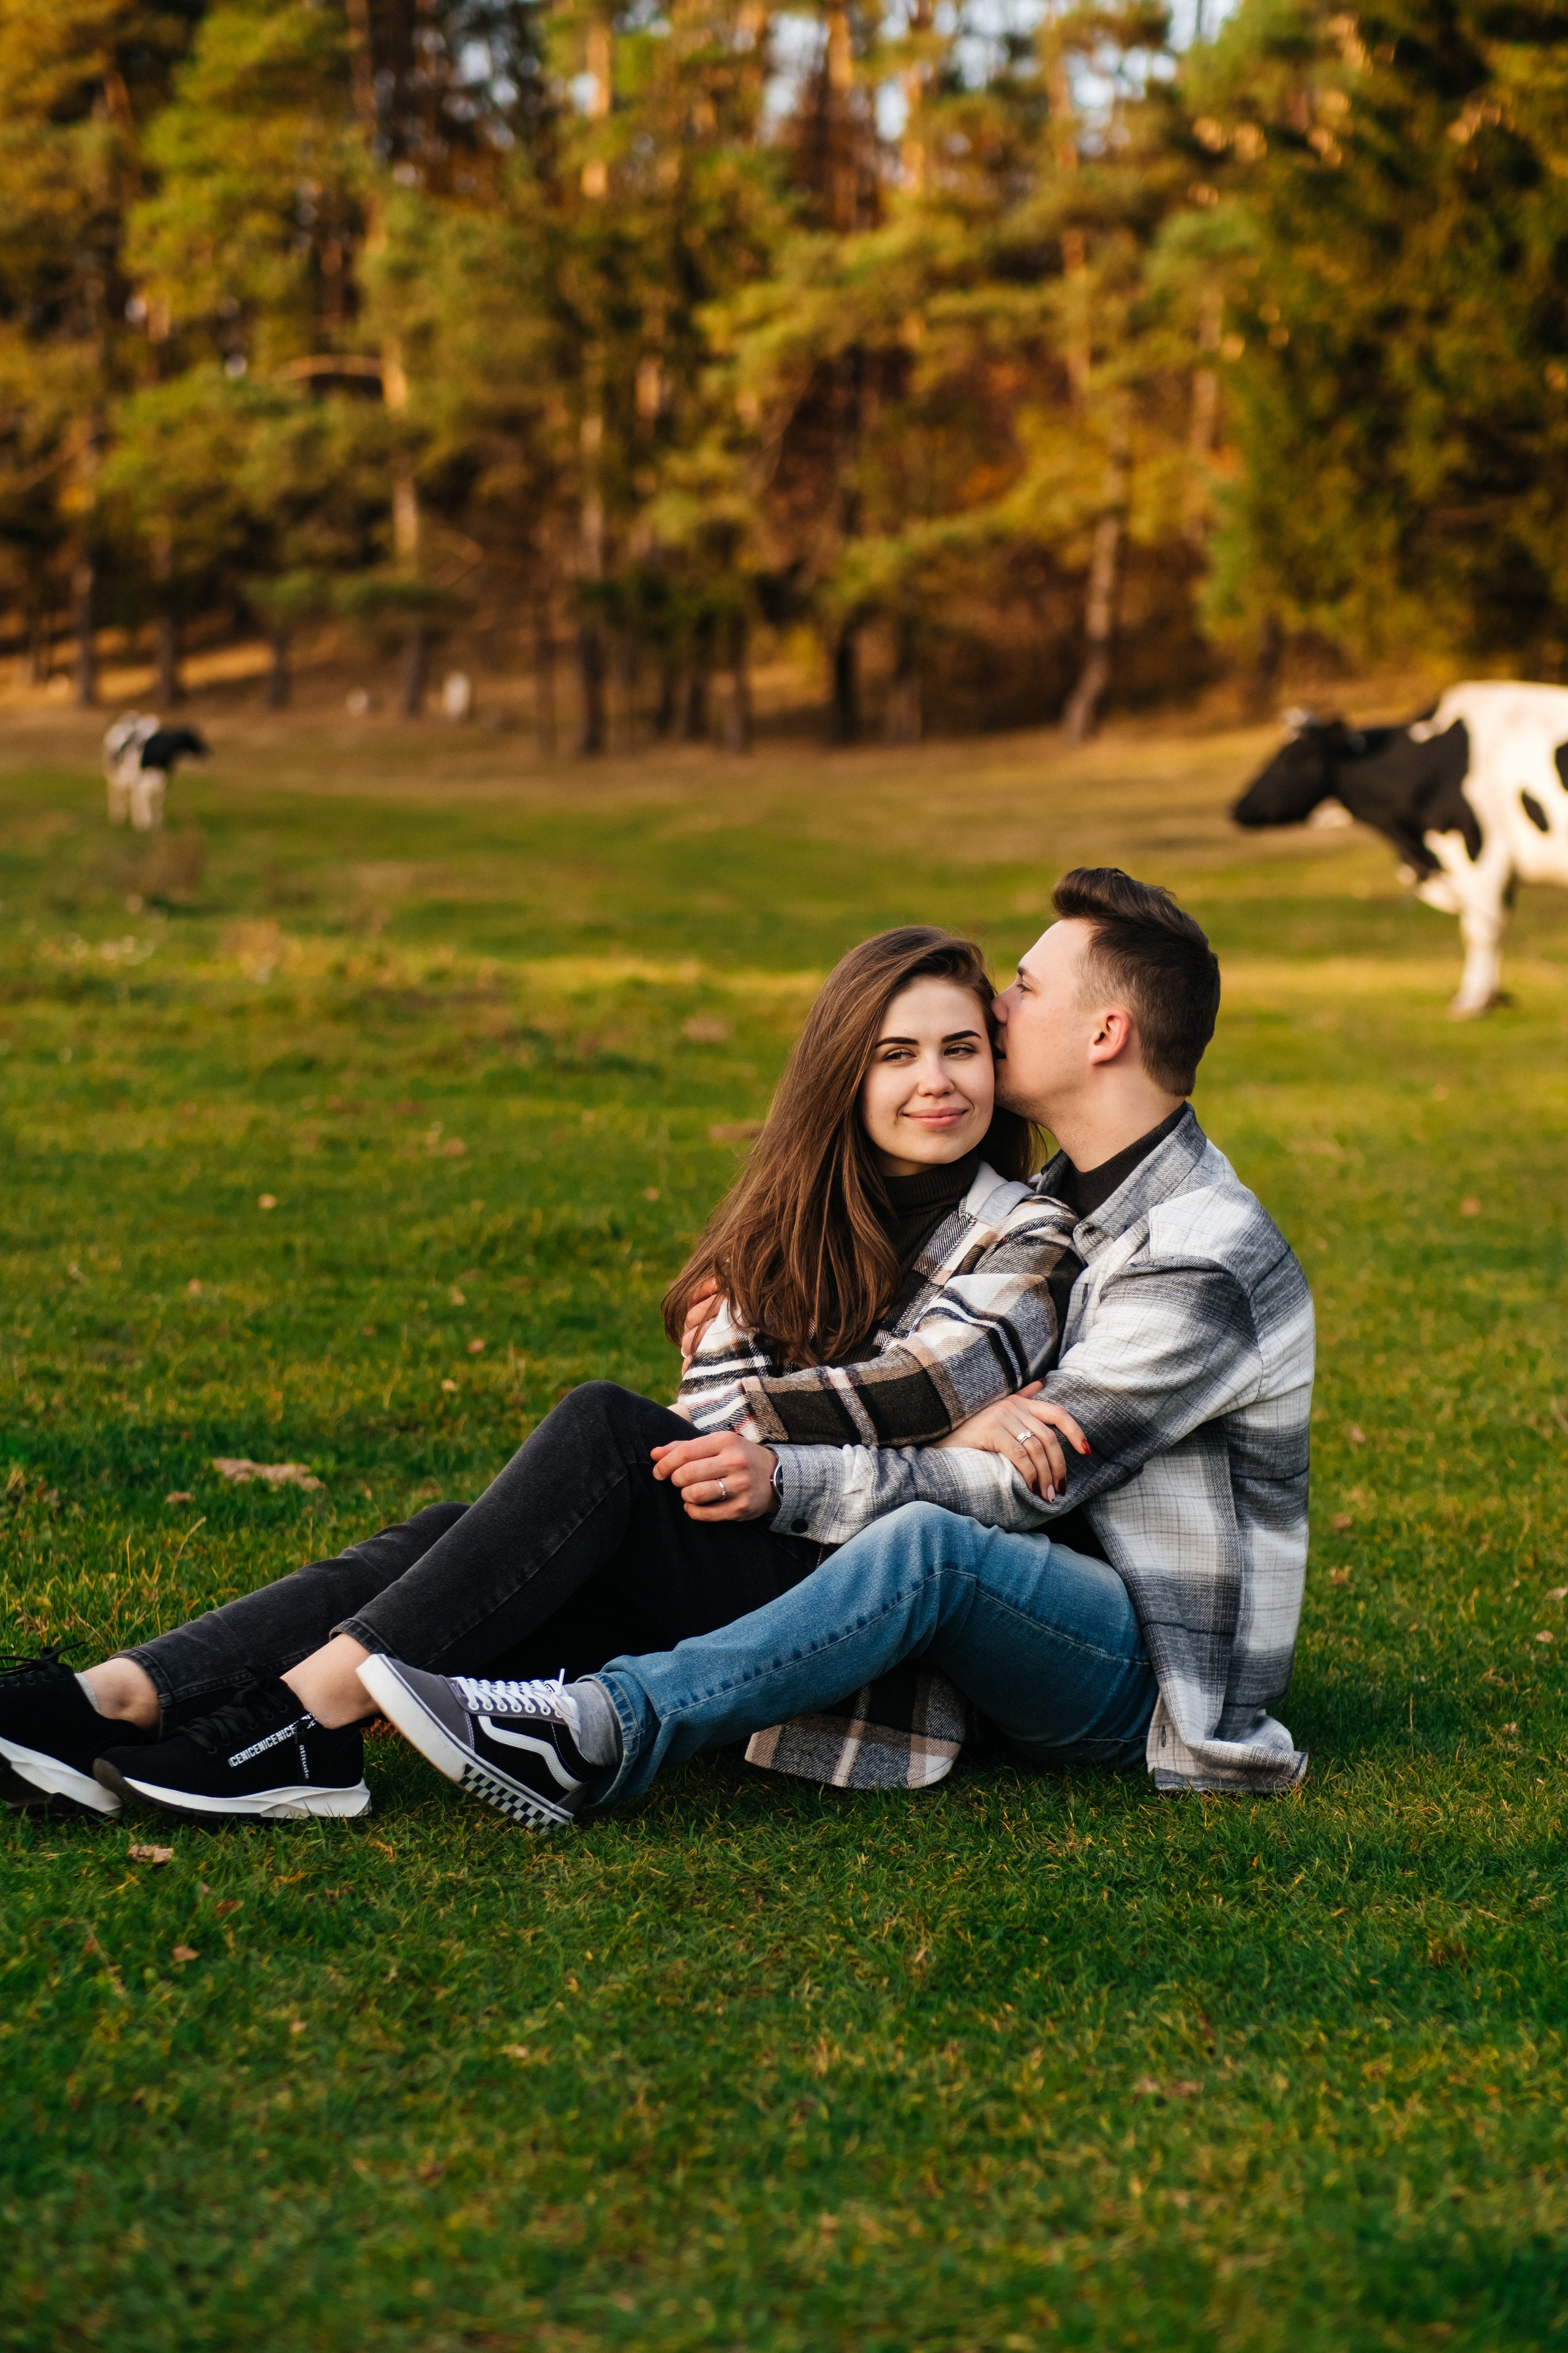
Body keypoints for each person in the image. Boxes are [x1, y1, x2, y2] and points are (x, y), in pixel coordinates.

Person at [0, 926, 1084, 1824]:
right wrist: (925, 1435)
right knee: (457, 1536)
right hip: (738, 1566)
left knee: (609, 1434)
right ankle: (116, 1699)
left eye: (961, 1049)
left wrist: (891, 1429)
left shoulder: (1029, 1231)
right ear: (845, 1074)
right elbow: (716, 1417)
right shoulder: (789, 1220)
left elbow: (933, 1381)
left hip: (859, 1622)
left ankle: (303, 1724)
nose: (936, 1081)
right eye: (897, 1054)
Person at [355, 867, 1316, 1822]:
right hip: (1021, 1604)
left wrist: (788, 1474)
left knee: (930, 1550)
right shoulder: (1071, 1197)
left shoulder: (1200, 1255)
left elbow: (1026, 1479)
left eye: (1026, 987)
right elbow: (949, 1394)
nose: (998, 1004)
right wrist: (941, 1418)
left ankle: (597, 1729)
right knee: (497, 1528)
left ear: (1106, 1034)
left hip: (1143, 1673)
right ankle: (290, 1692)